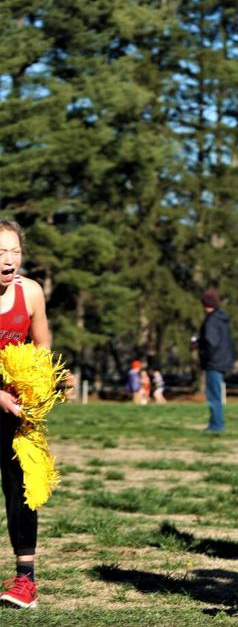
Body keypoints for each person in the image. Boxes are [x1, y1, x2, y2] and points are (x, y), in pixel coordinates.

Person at [0, 220, 54, 609]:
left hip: (16, 409)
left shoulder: (31, 292)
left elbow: (42, 343)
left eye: (15, 251)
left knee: (21, 487)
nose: (9, 259)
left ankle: (25, 581)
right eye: (1, 252)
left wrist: (42, 387)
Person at [196, 288, 233, 433]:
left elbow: (211, 341)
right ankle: (216, 423)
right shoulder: (222, 319)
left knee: (213, 395)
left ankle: (216, 425)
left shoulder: (211, 321)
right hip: (223, 360)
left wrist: (201, 348)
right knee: (217, 393)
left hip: (214, 362)